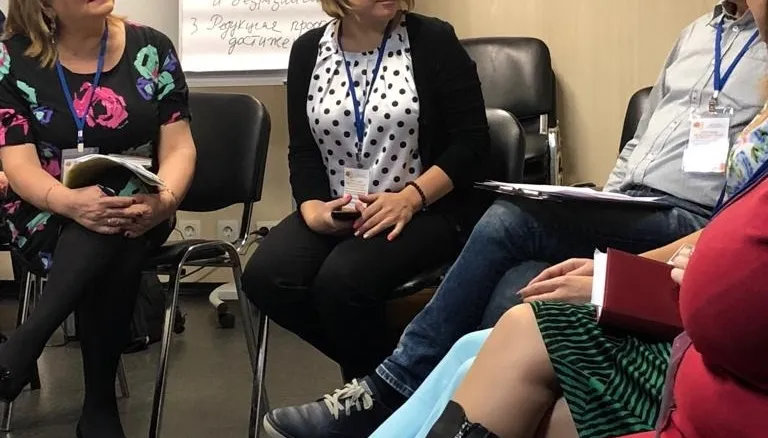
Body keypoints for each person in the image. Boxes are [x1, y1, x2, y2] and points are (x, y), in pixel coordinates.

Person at [263, 1, 768, 437]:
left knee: (509, 220)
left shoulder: (764, 51)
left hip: (689, 218)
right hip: (632, 204)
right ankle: (424, 410)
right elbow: (644, 134)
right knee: (516, 288)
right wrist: (608, 199)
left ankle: (391, 386)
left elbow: (470, 144)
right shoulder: (697, 33)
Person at [244, 0, 489, 396]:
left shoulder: (432, 39)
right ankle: (391, 382)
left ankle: (374, 394)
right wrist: (313, 211)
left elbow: (472, 144)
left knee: (341, 282)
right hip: (340, 207)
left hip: (425, 206)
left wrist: (410, 198)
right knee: (266, 277)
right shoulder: (308, 51)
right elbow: (303, 149)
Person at [0, 1, 195, 437]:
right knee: (112, 237)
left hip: (143, 205)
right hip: (45, 206)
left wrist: (166, 201)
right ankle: (98, 410)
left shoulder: (151, 48)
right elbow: (18, 163)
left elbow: (180, 146)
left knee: (115, 213)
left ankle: (25, 345)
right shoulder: (10, 59)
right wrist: (69, 202)